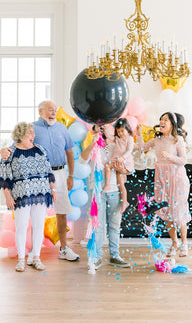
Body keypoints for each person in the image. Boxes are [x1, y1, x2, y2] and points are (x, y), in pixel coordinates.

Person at [0, 101, 79, 262]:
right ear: (41, 111)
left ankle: (64, 249)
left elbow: (69, 151)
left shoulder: (61, 128)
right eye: (50, 110)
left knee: (62, 211)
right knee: (35, 215)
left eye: (55, 110)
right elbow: (16, 145)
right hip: (39, 178)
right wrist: (2, 150)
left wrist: (71, 175)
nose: (53, 112)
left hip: (60, 173)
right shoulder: (32, 128)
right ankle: (32, 252)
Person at [0, 122, 57, 272]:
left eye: (33, 132)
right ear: (21, 134)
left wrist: (54, 189)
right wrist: (7, 197)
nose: (33, 135)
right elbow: (4, 177)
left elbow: (49, 171)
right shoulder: (10, 153)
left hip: (41, 193)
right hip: (21, 196)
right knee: (21, 227)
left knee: (39, 226)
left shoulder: (40, 150)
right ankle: (20, 260)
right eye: (30, 133)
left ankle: (36, 258)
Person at [136, 112, 191, 257]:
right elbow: (142, 147)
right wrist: (139, 134)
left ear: (172, 124)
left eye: (165, 120)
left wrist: (170, 156)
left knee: (178, 213)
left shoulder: (177, 140)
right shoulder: (157, 139)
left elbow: (184, 160)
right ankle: (175, 242)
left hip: (177, 179)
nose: (161, 121)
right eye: (161, 119)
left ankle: (184, 243)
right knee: (166, 213)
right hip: (161, 179)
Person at [79, 123, 130, 269]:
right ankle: (97, 257)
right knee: (98, 225)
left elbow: (127, 169)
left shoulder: (118, 146)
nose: (103, 129)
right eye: (99, 127)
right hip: (97, 191)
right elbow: (82, 160)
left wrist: (123, 169)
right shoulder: (95, 146)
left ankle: (115, 256)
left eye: (106, 126)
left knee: (115, 225)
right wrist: (92, 143)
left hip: (115, 191)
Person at [103, 118, 134, 213]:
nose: (120, 133)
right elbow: (110, 137)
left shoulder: (130, 138)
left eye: (122, 131)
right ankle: (124, 201)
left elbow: (129, 150)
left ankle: (124, 201)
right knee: (120, 183)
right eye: (118, 131)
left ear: (128, 130)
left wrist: (123, 158)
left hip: (124, 161)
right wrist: (105, 129)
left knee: (120, 182)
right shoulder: (117, 139)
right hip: (116, 160)